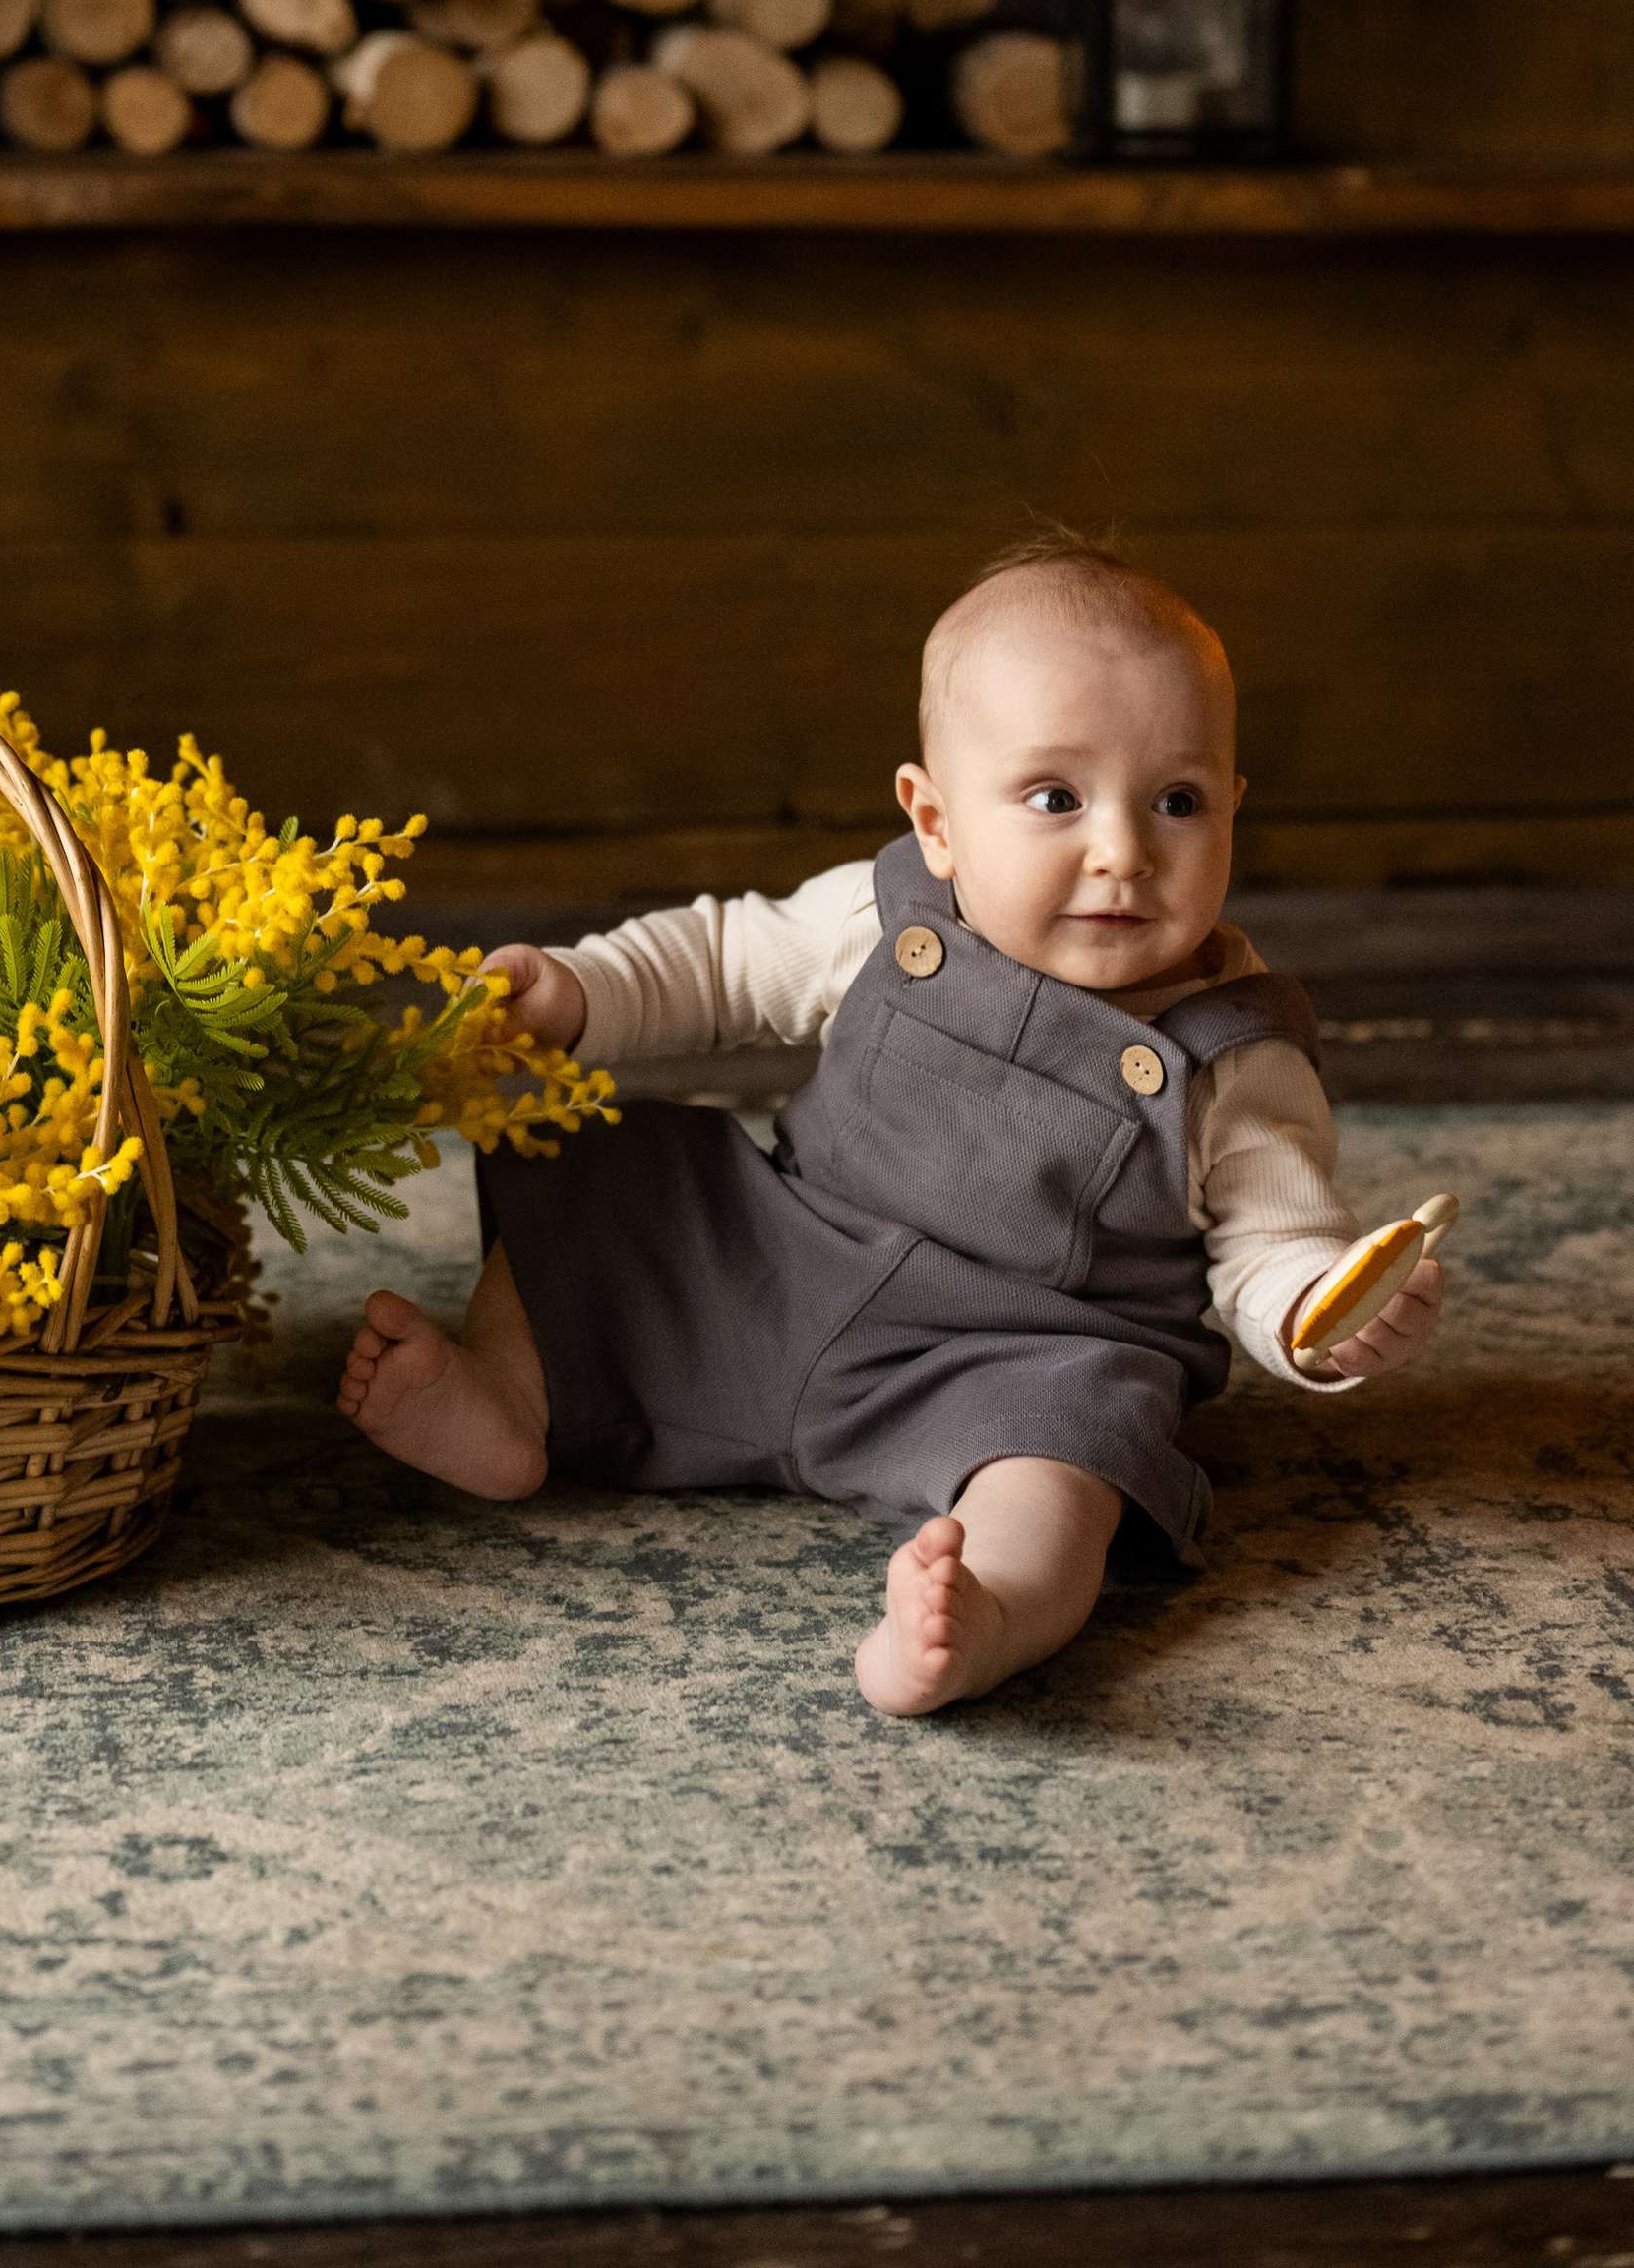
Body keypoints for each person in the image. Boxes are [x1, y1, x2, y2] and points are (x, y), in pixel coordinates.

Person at [337, 532, 1447, 1715]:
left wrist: (1321, 1312)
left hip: (1018, 1354)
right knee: (612, 1170)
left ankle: (992, 1611)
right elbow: (725, 962)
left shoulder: (1237, 1049)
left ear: (1230, 805)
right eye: (1054, 797)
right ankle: (512, 1397)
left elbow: (1268, 1242)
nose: (1122, 852)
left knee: (1076, 1461)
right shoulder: (889, 914)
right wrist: (583, 993)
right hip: (784, 1248)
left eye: (1175, 801)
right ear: (935, 820)